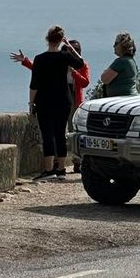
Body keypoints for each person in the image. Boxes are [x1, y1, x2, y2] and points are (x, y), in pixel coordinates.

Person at [11, 39, 90, 172]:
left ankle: (77, 162)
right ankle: (57, 164)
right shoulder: (59, 61)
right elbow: (38, 68)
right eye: (68, 49)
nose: (70, 51)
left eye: (74, 49)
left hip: (73, 100)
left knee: (74, 132)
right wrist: (24, 60)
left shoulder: (82, 65)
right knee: (58, 133)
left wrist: (73, 72)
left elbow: (85, 83)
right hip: (59, 98)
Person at [27, 25, 85, 181]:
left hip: (45, 101)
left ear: (47, 39)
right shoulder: (65, 56)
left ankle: (48, 169)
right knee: (60, 134)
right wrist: (70, 49)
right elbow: (81, 63)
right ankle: (61, 170)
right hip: (64, 100)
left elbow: (34, 84)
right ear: (61, 40)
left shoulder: (40, 59)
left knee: (47, 134)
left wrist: (31, 103)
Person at [101, 32, 138, 97]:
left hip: (121, 100)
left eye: (116, 44)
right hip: (130, 97)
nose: (113, 46)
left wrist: (105, 72)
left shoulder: (120, 62)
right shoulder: (131, 60)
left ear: (123, 45)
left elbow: (104, 79)